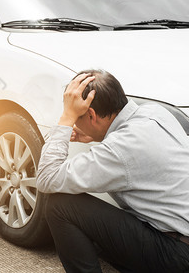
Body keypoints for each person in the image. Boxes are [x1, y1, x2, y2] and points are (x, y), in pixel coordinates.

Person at [36, 69, 189, 272]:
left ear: (91, 115)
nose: (73, 122)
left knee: (60, 205)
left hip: (176, 253)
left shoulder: (120, 148)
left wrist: (66, 119)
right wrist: (100, 134)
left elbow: (47, 178)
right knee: (93, 230)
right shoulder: (155, 112)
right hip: (180, 235)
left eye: (76, 118)